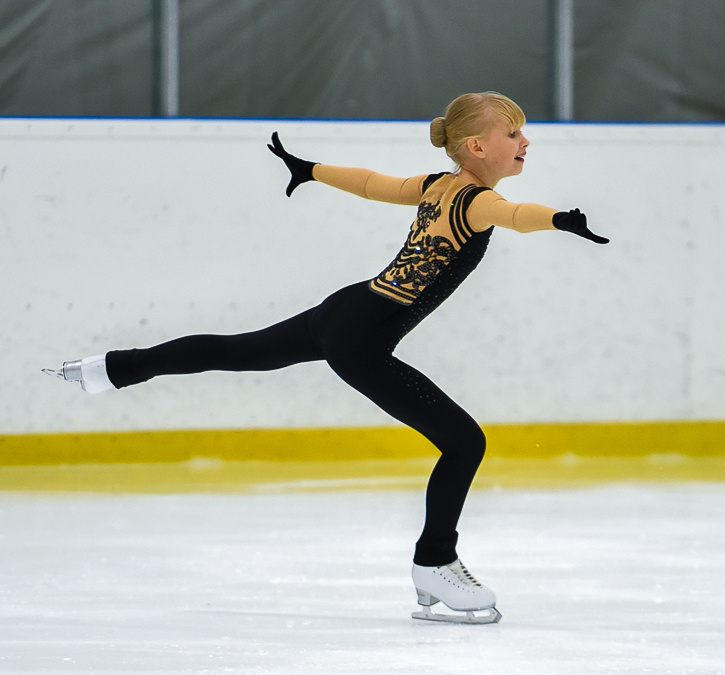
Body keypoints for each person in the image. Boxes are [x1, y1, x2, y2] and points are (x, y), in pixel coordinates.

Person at [44, 92, 609, 624]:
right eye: (513, 133)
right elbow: (516, 215)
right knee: (465, 442)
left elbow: (370, 183)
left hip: (347, 311)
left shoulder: (438, 186)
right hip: (360, 340)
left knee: (238, 350)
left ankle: (112, 368)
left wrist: (310, 170)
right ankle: (435, 563)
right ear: (477, 147)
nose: (525, 142)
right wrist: (558, 220)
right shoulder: (477, 201)